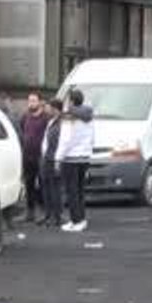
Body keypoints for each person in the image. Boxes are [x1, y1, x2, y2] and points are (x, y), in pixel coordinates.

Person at [55, 89, 95, 233]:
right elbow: (92, 137)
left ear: (71, 101)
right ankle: (81, 219)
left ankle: (76, 221)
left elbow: (65, 140)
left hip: (70, 158)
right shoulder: (89, 116)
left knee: (71, 191)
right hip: (84, 157)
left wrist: (58, 158)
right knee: (79, 190)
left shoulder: (68, 116)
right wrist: (87, 152)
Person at [18, 92, 51, 224]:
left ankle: (44, 211)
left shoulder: (46, 118)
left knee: (43, 184)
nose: (31, 103)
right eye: (29, 100)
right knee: (29, 184)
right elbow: (22, 128)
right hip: (27, 155)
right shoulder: (25, 116)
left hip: (40, 156)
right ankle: (29, 212)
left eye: (34, 101)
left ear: (39, 102)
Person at [39, 99, 66, 228]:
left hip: (54, 159)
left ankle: (57, 216)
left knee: (55, 188)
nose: (47, 110)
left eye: (49, 108)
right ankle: (48, 214)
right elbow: (46, 140)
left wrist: (57, 159)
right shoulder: (51, 122)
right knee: (46, 188)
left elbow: (62, 143)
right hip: (47, 158)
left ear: (56, 109)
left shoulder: (62, 124)